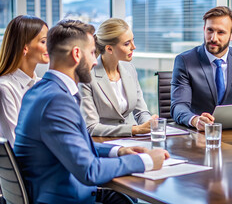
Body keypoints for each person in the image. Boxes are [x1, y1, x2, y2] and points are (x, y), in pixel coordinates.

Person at [14, 19, 169, 204]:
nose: (95, 62)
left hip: (69, 193)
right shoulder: (57, 101)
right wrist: (146, 161)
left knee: (128, 199)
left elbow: (76, 146)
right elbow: (90, 171)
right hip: (66, 199)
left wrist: (119, 151)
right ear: (77, 54)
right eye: (93, 52)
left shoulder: (40, 91)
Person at [171, 6, 232, 131]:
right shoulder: (185, 61)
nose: (213, 38)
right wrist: (195, 120)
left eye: (221, 32)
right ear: (204, 29)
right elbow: (178, 106)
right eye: (210, 30)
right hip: (197, 134)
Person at [79, 18, 155, 136]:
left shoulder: (129, 69)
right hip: (104, 143)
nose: (133, 47)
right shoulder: (87, 76)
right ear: (109, 48)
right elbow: (91, 127)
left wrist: (150, 124)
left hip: (133, 141)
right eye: (127, 44)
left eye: (132, 41)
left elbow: (141, 112)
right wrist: (135, 130)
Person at [0, 15, 49, 147]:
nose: (49, 46)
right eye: (44, 41)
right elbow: (15, 142)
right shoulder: (5, 88)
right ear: (25, 48)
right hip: (23, 164)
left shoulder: (41, 84)